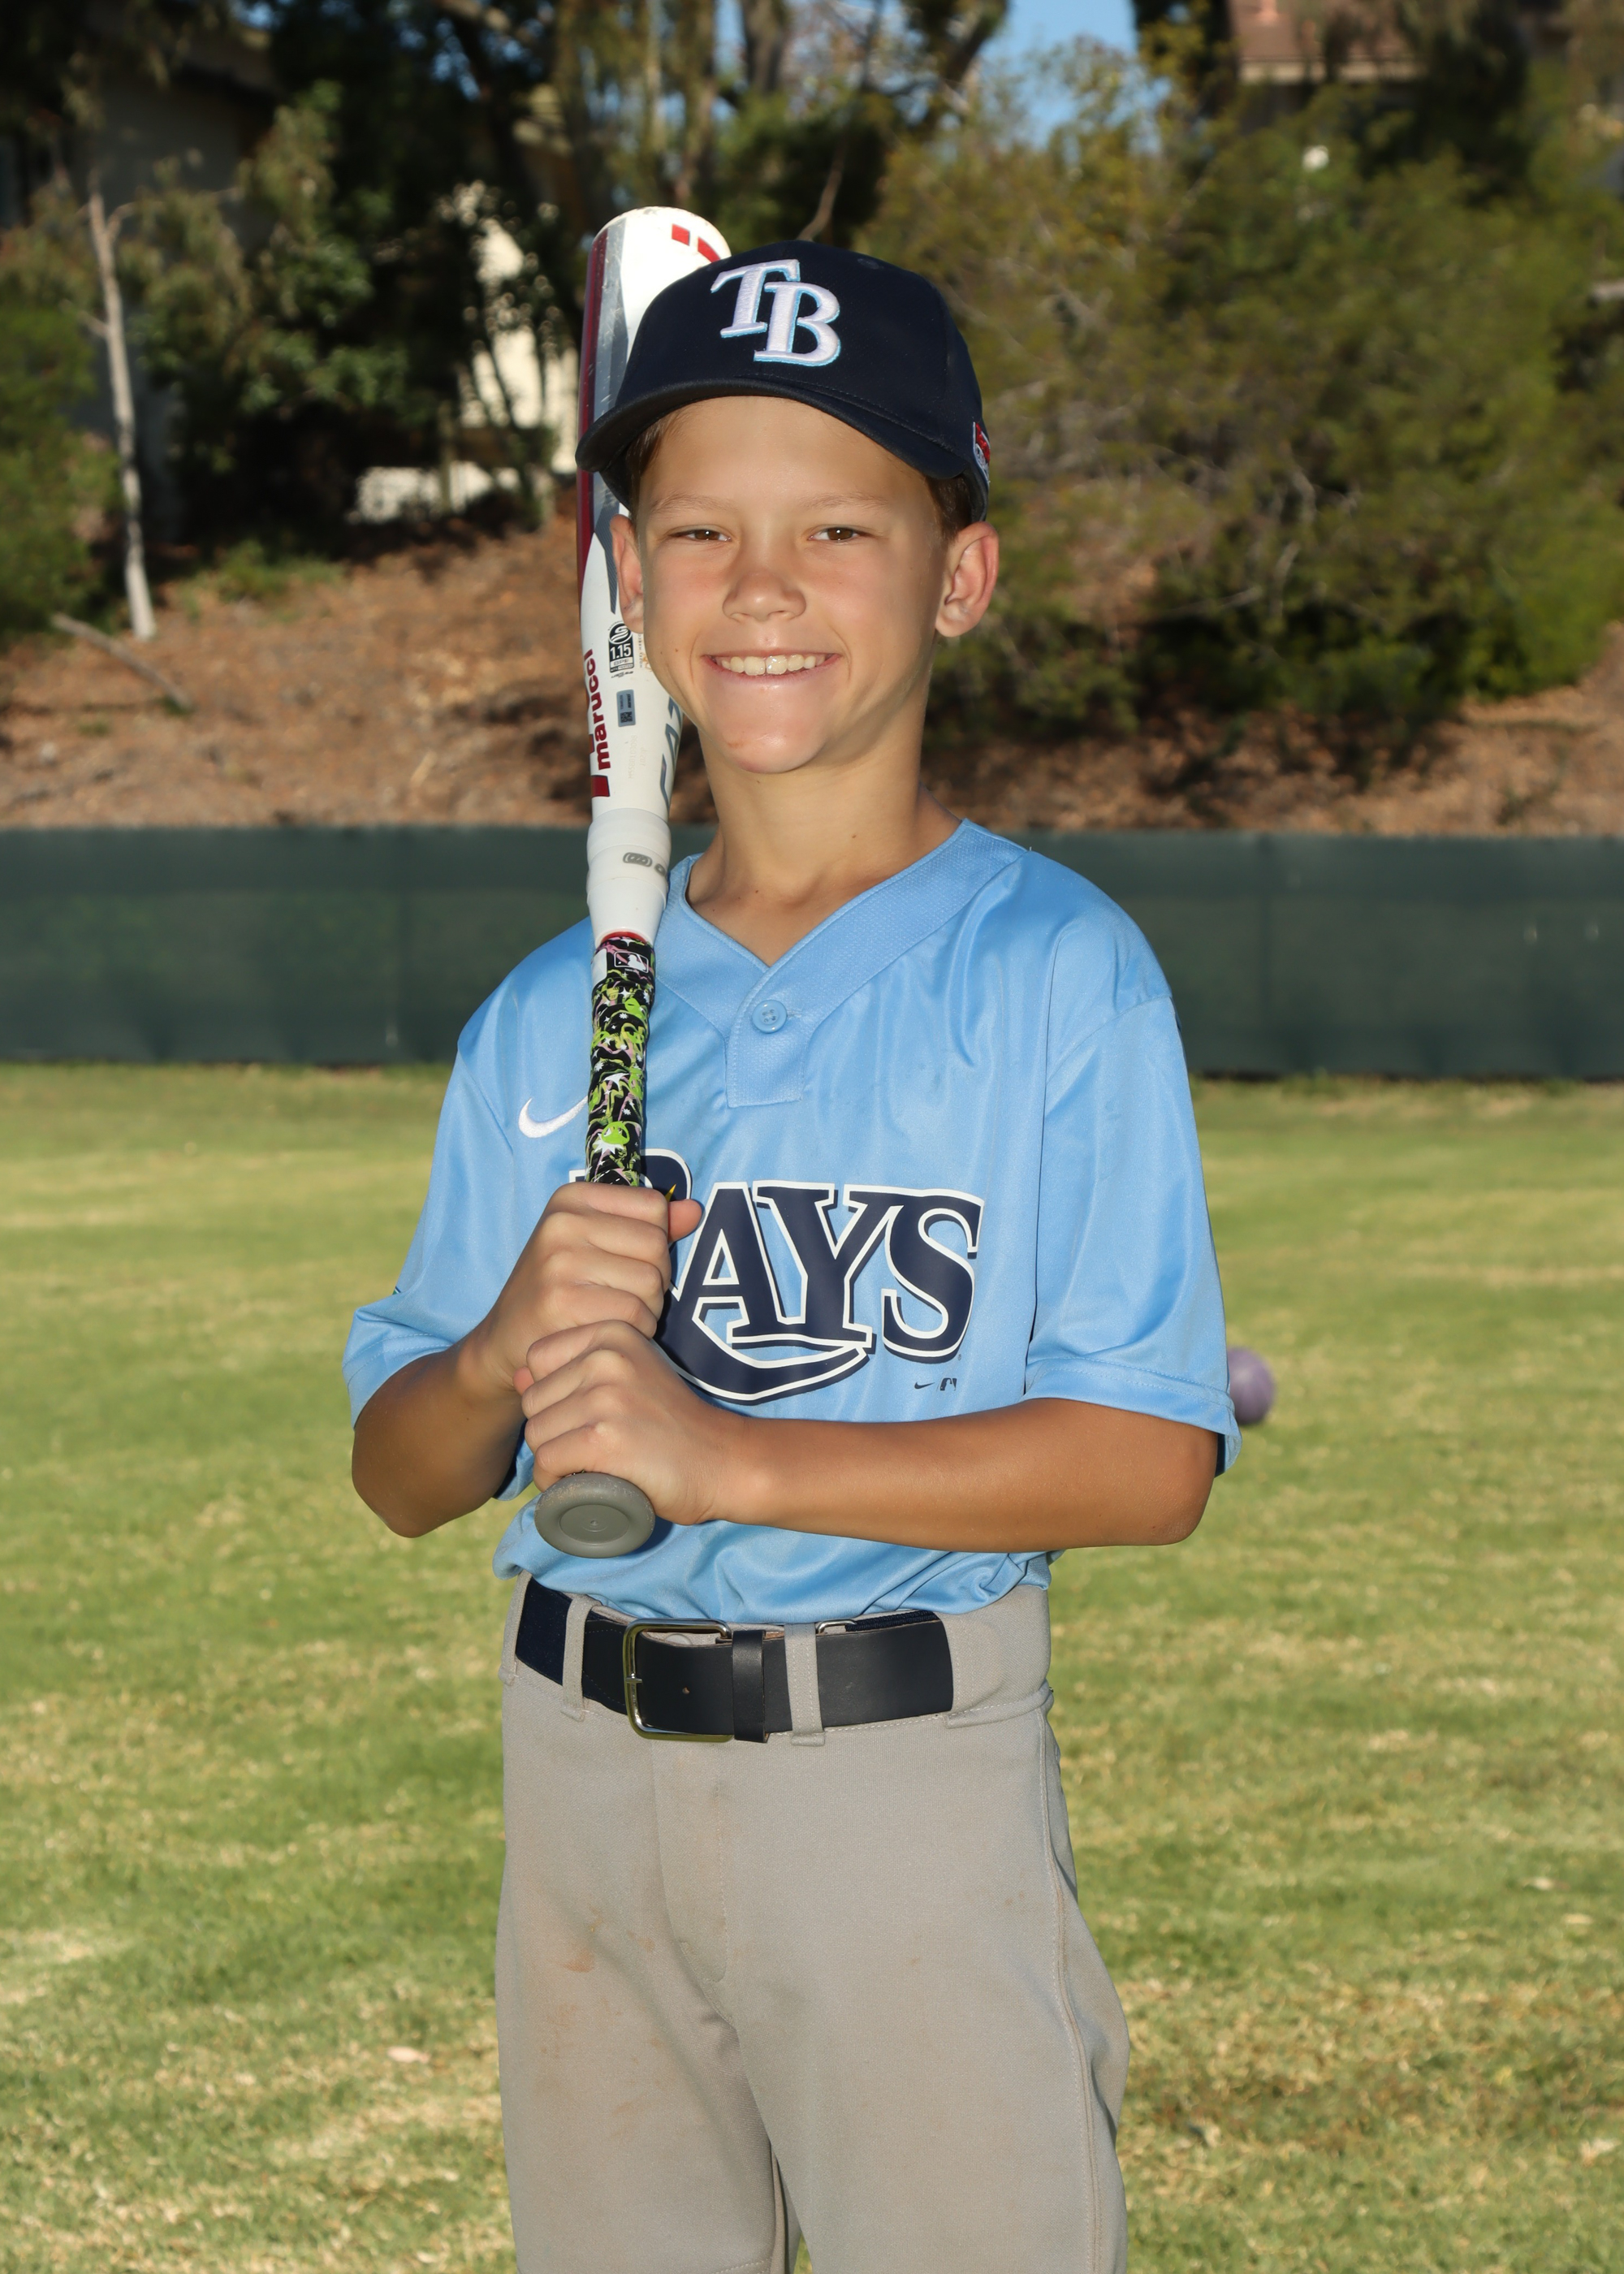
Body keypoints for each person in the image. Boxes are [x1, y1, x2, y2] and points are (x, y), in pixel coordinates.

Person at [344, 240, 1239, 2274]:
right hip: (580, 1781)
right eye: (699, 531)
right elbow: (399, 1474)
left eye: (838, 527)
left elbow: (1144, 1461)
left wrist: (726, 1455)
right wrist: (495, 1352)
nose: (761, 586)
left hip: (897, 1779)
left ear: (959, 575)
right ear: (627, 582)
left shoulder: (1055, 969)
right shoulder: (548, 1014)